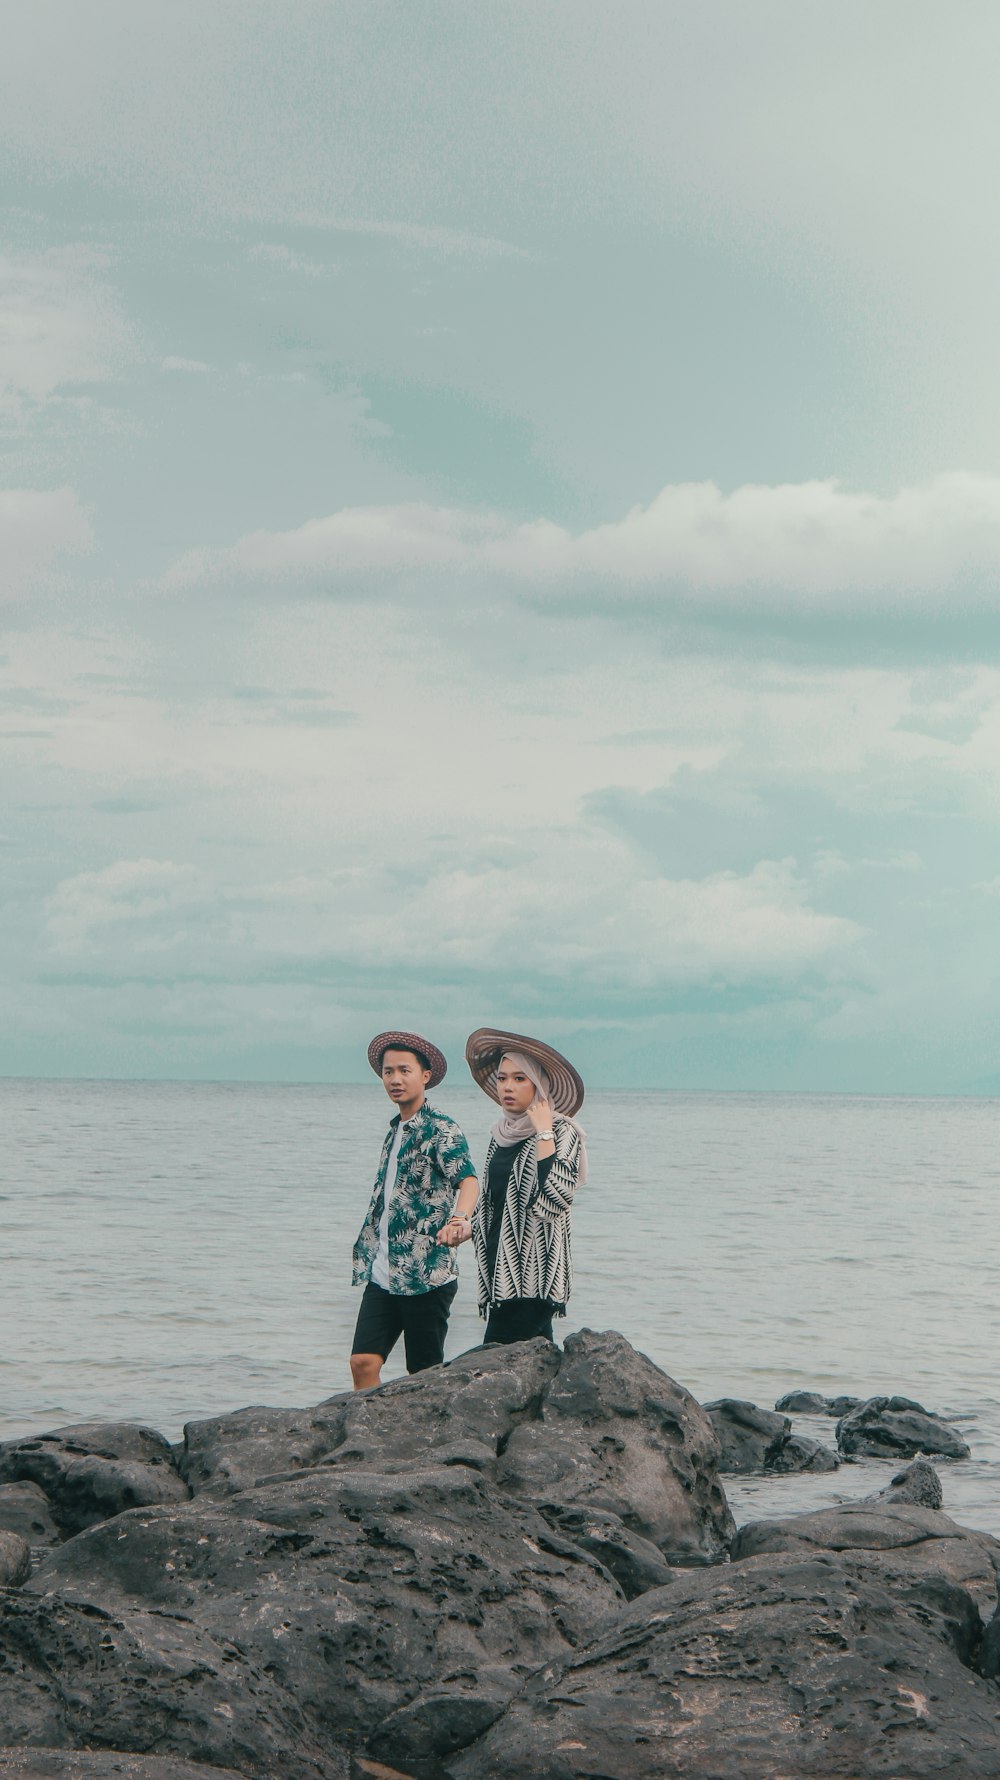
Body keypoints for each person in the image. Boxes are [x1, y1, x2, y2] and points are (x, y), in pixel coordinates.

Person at [350, 1029, 479, 1389]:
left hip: (426, 1273)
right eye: (388, 1071)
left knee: (423, 1375)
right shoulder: (395, 1131)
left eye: (404, 1070)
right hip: (383, 1269)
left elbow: (468, 1181)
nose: (395, 1079)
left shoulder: (441, 1129)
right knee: (363, 1361)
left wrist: (459, 1219)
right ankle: (368, 1433)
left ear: (425, 1076)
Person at [465, 1027, 588, 1345]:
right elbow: (495, 1201)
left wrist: (544, 1133)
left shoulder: (563, 1131)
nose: (507, 1086)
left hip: (536, 1279)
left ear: (539, 1084)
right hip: (499, 1277)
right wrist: (466, 1227)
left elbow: (555, 1202)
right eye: (503, 1078)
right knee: (531, 1368)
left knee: (499, 1366)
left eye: (520, 1078)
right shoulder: (500, 1133)